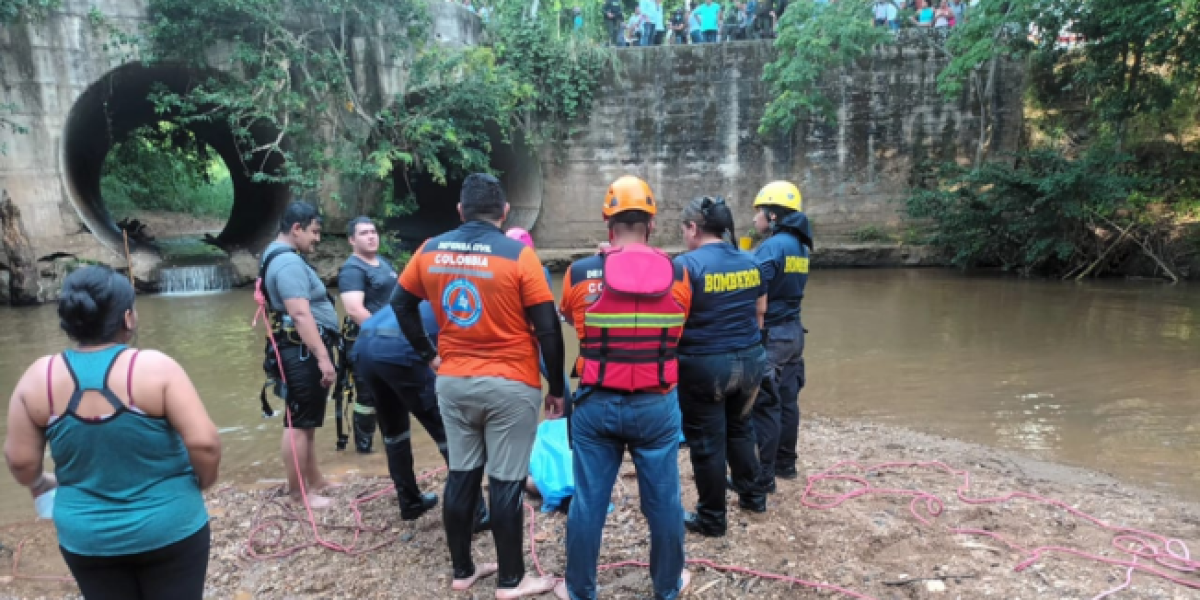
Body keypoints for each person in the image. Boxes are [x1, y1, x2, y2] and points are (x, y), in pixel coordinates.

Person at [392, 173, 566, 598]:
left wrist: (428, 354)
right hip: (510, 383)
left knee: (461, 475)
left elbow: (400, 303)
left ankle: (464, 570)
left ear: (459, 211)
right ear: (505, 213)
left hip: (453, 382)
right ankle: (512, 580)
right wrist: (557, 388)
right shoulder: (519, 256)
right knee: (505, 481)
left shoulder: (430, 250)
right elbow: (548, 330)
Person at [4, 265, 220, 600]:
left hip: (87, 537)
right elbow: (205, 443)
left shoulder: (39, 378)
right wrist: (201, 482)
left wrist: (42, 484)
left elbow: (20, 462)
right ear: (128, 318)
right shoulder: (155, 368)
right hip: (170, 525)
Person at [554, 176, 693, 599]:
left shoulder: (579, 273)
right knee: (664, 503)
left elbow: (569, 317)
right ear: (651, 225)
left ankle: (579, 590)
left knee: (589, 503)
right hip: (655, 405)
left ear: (608, 225)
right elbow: (680, 326)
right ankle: (667, 587)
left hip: (596, 405)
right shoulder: (680, 273)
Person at [674, 197, 768, 537]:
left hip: (705, 364)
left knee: (706, 442)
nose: (683, 236)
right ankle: (753, 497)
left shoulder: (686, 265)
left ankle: (712, 518)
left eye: (684, 229)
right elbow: (761, 312)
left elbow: (674, 319)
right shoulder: (751, 260)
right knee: (741, 429)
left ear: (694, 228)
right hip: (751, 358)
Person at [351, 301, 492, 529]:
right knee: (448, 431)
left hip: (364, 344)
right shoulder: (470, 303)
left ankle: (410, 503)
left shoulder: (429, 291)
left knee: (394, 431)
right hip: (399, 348)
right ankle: (475, 514)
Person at [260, 200, 340, 508]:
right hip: (303, 351)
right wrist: (323, 358)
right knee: (298, 423)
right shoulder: (289, 264)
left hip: (296, 348)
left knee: (306, 421)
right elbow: (301, 314)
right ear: (296, 229)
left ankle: (315, 480)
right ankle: (299, 494)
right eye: (314, 232)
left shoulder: (274, 255)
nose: (317, 239)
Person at [749, 181, 813, 492]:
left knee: (766, 404)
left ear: (773, 215)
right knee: (788, 401)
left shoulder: (773, 247)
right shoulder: (800, 246)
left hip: (772, 333)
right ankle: (786, 464)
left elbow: (753, 287)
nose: (755, 218)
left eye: (759, 212)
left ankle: (764, 476)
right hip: (794, 333)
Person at [338, 216, 397, 454]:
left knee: (391, 394)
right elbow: (354, 310)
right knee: (367, 397)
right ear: (352, 240)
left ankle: (392, 445)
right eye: (364, 233)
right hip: (367, 341)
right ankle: (364, 451)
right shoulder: (352, 269)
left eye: (373, 231)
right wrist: (384, 332)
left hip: (391, 338)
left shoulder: (383, 263)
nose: (371, 236)